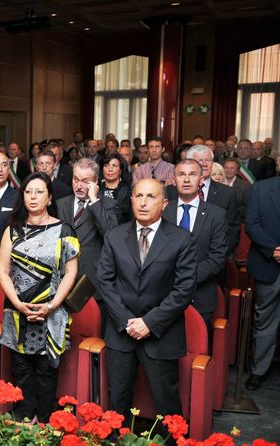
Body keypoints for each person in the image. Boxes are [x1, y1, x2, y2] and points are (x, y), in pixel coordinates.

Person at [97, 179, 197, 427]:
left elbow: (184, 290)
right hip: (121, 332)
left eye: (151, 197)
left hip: (161, 334)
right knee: (117, 402)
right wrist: (127, 321)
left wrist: (149, 323)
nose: (143, 202)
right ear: (131, 200)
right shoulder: (115, 236)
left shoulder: (181, 239)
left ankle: (170, 442)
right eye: (138, 196)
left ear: (164, 204)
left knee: (167, 405)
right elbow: (105, 281)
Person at [0, 172, 79, 423]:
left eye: (39, 192)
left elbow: (71, 272)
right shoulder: (12, 229)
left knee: (46, 369)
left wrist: (52, 305)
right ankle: (25, 417)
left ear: (50, 197)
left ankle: (43, 420)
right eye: (28, 192)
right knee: (21, 367)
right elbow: (3, 270)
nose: (33, 197)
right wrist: (17, 304)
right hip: (17, 307)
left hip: (52, 309)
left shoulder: (64, 230)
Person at [162, 160, 227, 330]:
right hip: (162, 295)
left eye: (192, 174)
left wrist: (185, 279)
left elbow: (217, 258)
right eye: (181, 174)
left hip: (200, 296)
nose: (186, 179)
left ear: (201, 180)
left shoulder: (216, 215)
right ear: (174, 180)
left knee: (198, 345)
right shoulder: (162, 211)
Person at [56, 158, 119, 323]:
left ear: (95, 182)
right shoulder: (61, 204)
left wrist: (94, 200)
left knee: (92, 329)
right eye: (76, 179)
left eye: (85, 181)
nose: (79, 185)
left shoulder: (107, 204)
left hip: (91, 280)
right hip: (62, 279)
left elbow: (111, 236)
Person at [244, 175, 280, 390]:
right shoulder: (261, 188)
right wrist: (274, 250)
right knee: (265, 322)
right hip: (269, 265)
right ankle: (259, 371)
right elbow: (252, 224)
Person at [99, 154, 131, 222]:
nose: (110, 169)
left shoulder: (128, 191)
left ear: (120, 171)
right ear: (102, 170)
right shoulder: (96, 189)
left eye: (114, 166)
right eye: (106, 165)